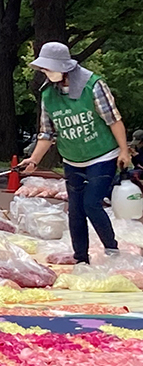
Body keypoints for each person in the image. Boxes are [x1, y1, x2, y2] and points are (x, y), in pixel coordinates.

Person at [18, 42, 132, 264]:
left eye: (49, 68)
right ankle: (81, 259)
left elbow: (114, 120)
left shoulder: (93, 85)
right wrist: (34, 159)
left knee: (92, 203)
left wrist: (124, 151)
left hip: (102, 155)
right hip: (72, 159)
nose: (46, 72)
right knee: (76, 210)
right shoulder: (48, 94)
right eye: (44, 69)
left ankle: (112, 250)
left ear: (64, 67)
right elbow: (47, 133)